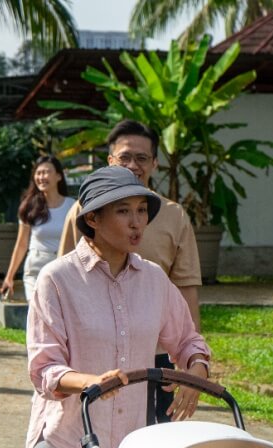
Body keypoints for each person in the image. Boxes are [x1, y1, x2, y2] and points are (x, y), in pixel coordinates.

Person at [27, 166, 212, 448]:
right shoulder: (57, 279)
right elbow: (44, 369)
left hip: (132, 445)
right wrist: (94, 382)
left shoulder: (154, 279)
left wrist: (196, 373)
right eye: (123, 211)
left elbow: (190, 341)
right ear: (92, 218)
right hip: (67, 438)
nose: (136, 223)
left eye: (142, 210)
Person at [58, 120, 202, 423]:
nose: (133, 165)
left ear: (155, 163)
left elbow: (185, 289)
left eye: (142, 158)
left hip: (156, 352)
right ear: (110, 160)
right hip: (95, 350)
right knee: (93, 437)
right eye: (124, 157)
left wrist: (191, 364)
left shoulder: (173, 215)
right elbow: (65, 279)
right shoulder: (84, 211)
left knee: (152, 443)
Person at [0, 155, 75, 300]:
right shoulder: (29, 207)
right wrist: (9, 277)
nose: (41, 177)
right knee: (38, 313)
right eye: (38, 173)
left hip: (63, 269)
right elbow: (21, 244)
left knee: (57, 317)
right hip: (36, 269)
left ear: (59, 176)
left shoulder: (72, 206)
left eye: (46, 172)